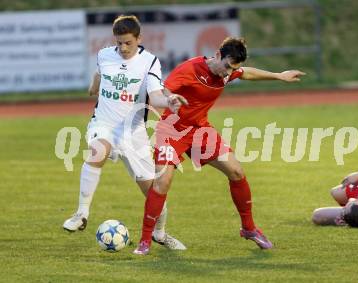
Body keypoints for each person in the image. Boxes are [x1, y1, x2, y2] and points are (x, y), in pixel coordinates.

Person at [133, 37, 306, 255]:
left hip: (199, 131)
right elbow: (162, 91)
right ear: (217, 55)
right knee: (162, 182)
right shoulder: (190, 69)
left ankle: (249, 228)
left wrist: (278, 76)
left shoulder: (227, 71)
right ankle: (145, 240)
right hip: (172, 129)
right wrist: (171, 99)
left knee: (236, 171)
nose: (227, 73)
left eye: (232, 69)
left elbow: (247, 73)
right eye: (226, 66)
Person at [62, 15, 188, 250]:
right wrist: (94, 87)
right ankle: (81, 214)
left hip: (133, 132)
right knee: (98, 150)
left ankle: (160, 233)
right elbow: (99, 74)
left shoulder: (149, 62)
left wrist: (168, 101)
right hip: (104, 124)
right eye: (119, 42)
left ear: (139, 38)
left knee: (153, 191)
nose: (122, 48)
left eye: (128, 43)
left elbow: (156, 94)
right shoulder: (104, 54)